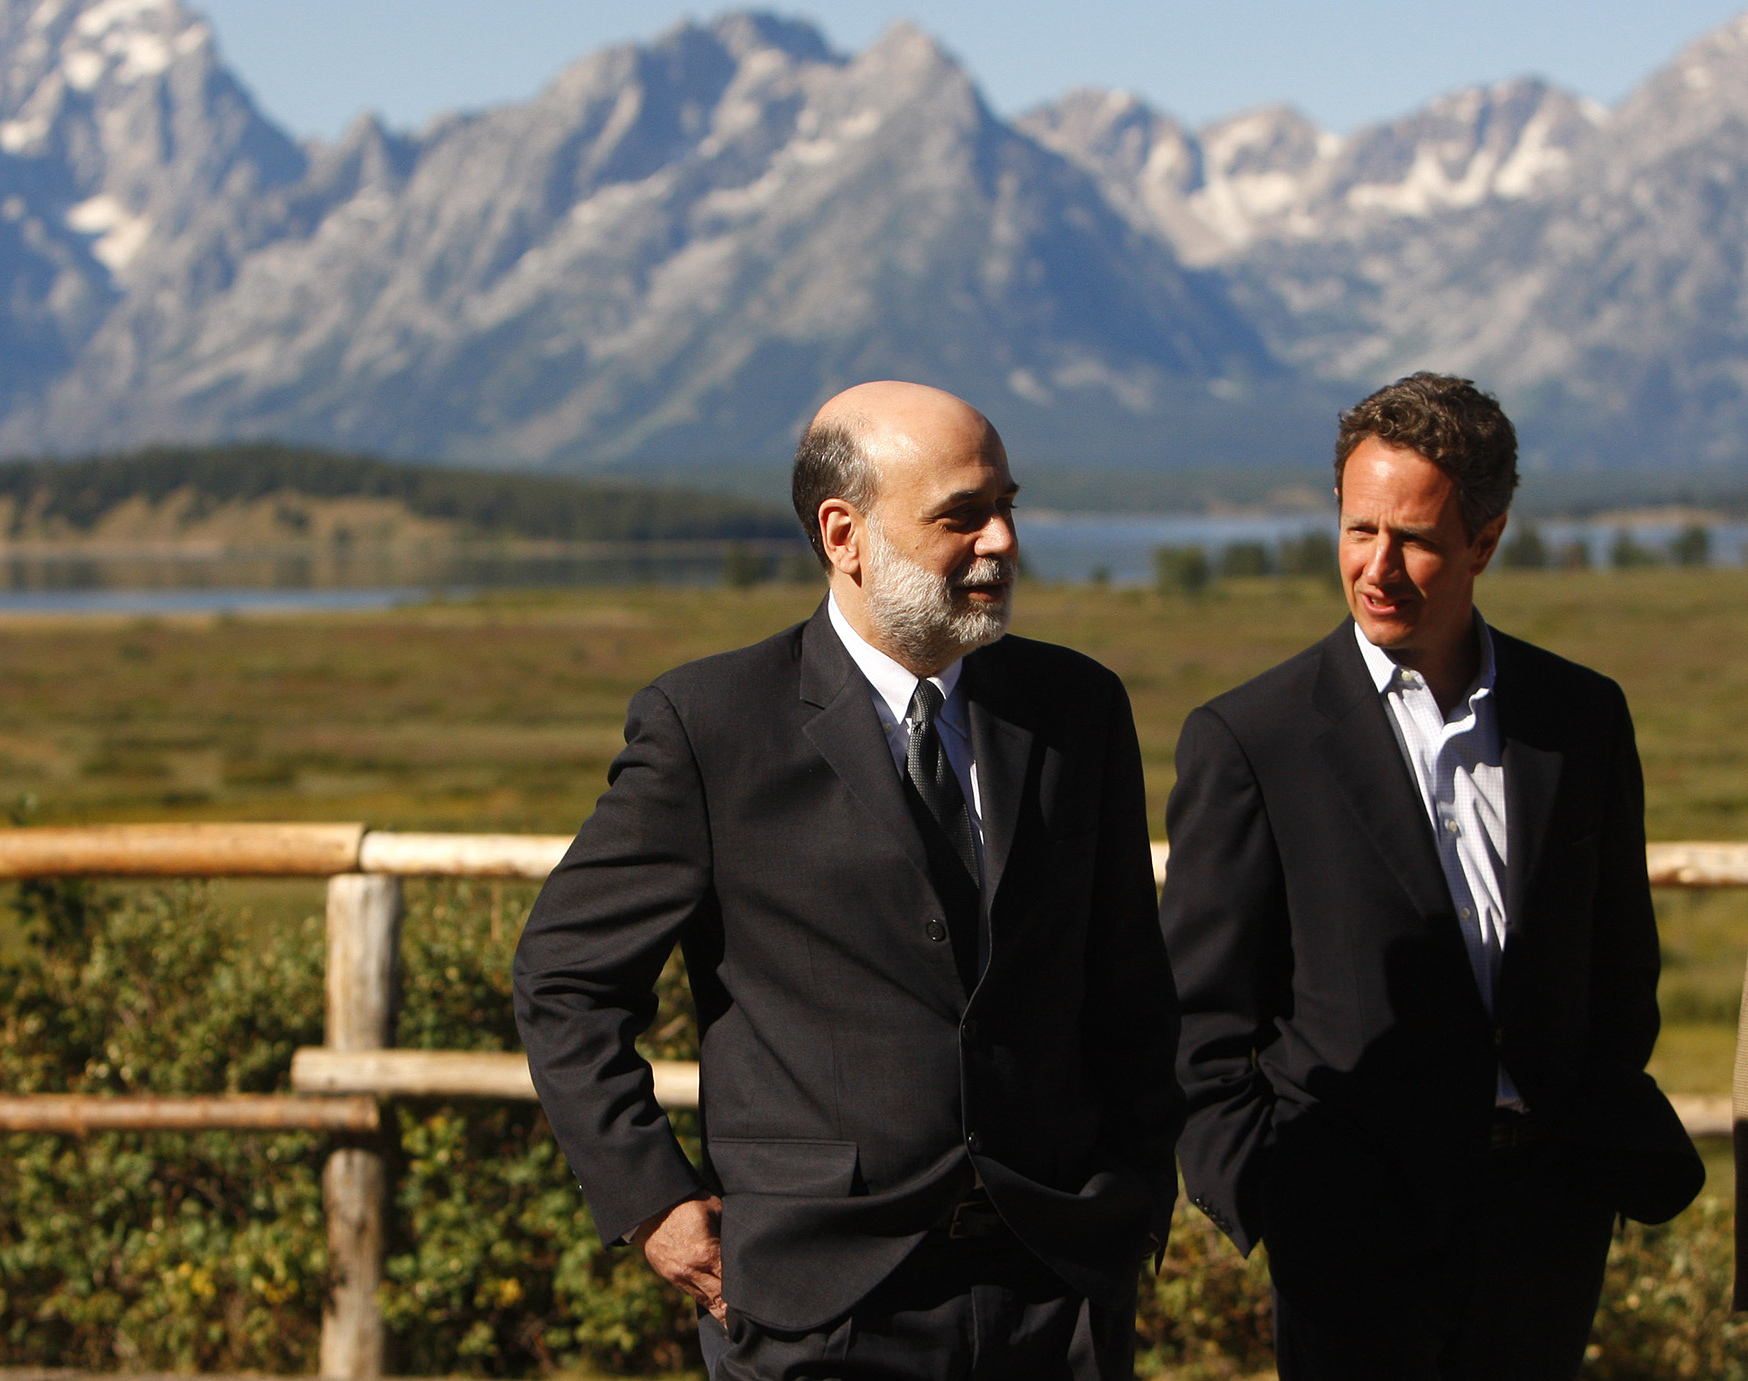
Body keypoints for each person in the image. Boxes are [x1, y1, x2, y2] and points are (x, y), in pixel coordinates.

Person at [512, 382, 1182, 1381]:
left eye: (1006, 505)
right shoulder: (712, 727)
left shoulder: (1077, 708)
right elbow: (564, 977)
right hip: (818, 1308)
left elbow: (1127, 979)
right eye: (960, 515)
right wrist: (650, 1199)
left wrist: (1130, 1193)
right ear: (844, 534)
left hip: (1057, 1291)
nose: (1000, 541)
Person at [1161, 372, 1704, 1380]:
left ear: (1485, 541)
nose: (1376, 566)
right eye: (1357, 528)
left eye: (1411, 537)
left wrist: (1579, 1151)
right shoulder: (1252, 737)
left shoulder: (1580, 716)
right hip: (1344, 1232)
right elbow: (1202, 1016)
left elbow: (1621, 965)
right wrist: (1272, 1196)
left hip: (1544, 1224)